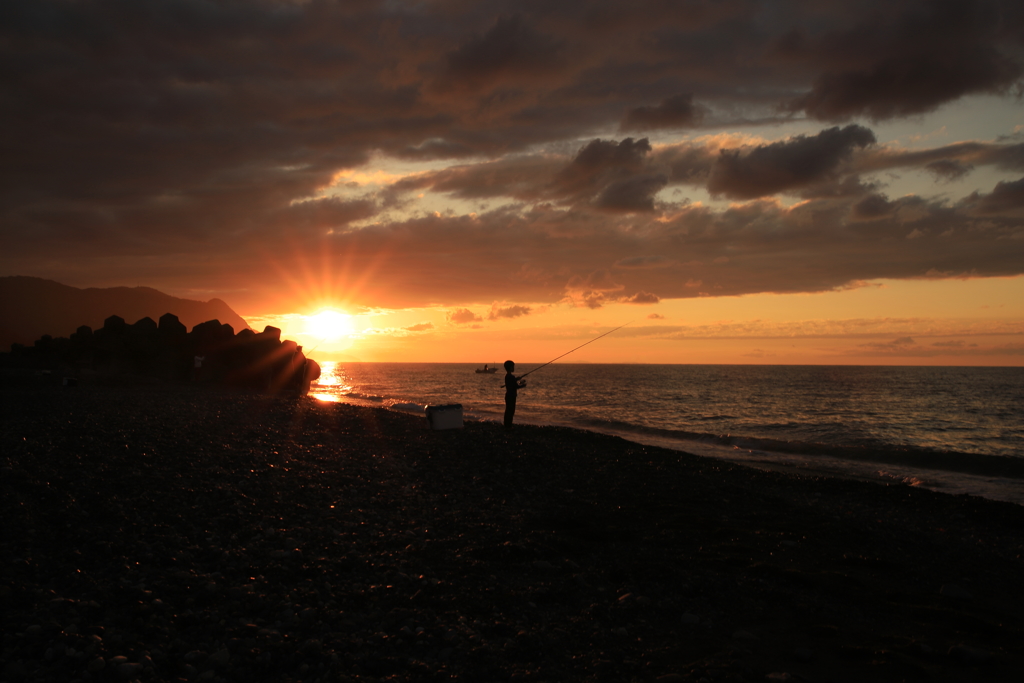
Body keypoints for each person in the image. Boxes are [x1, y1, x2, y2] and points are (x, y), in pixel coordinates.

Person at [503, 360, 526, 428]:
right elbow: (515, 386)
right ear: (510, 367)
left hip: (508, 395)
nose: (514, 368)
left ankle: (507, 425)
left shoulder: (507, 376)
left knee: (508, 411)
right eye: (513, 367)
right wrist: (523, 385)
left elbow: (512, 382)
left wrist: (517, 379)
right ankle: (508, 425)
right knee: (511, 411)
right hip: (512, 396)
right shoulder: (511, 377)